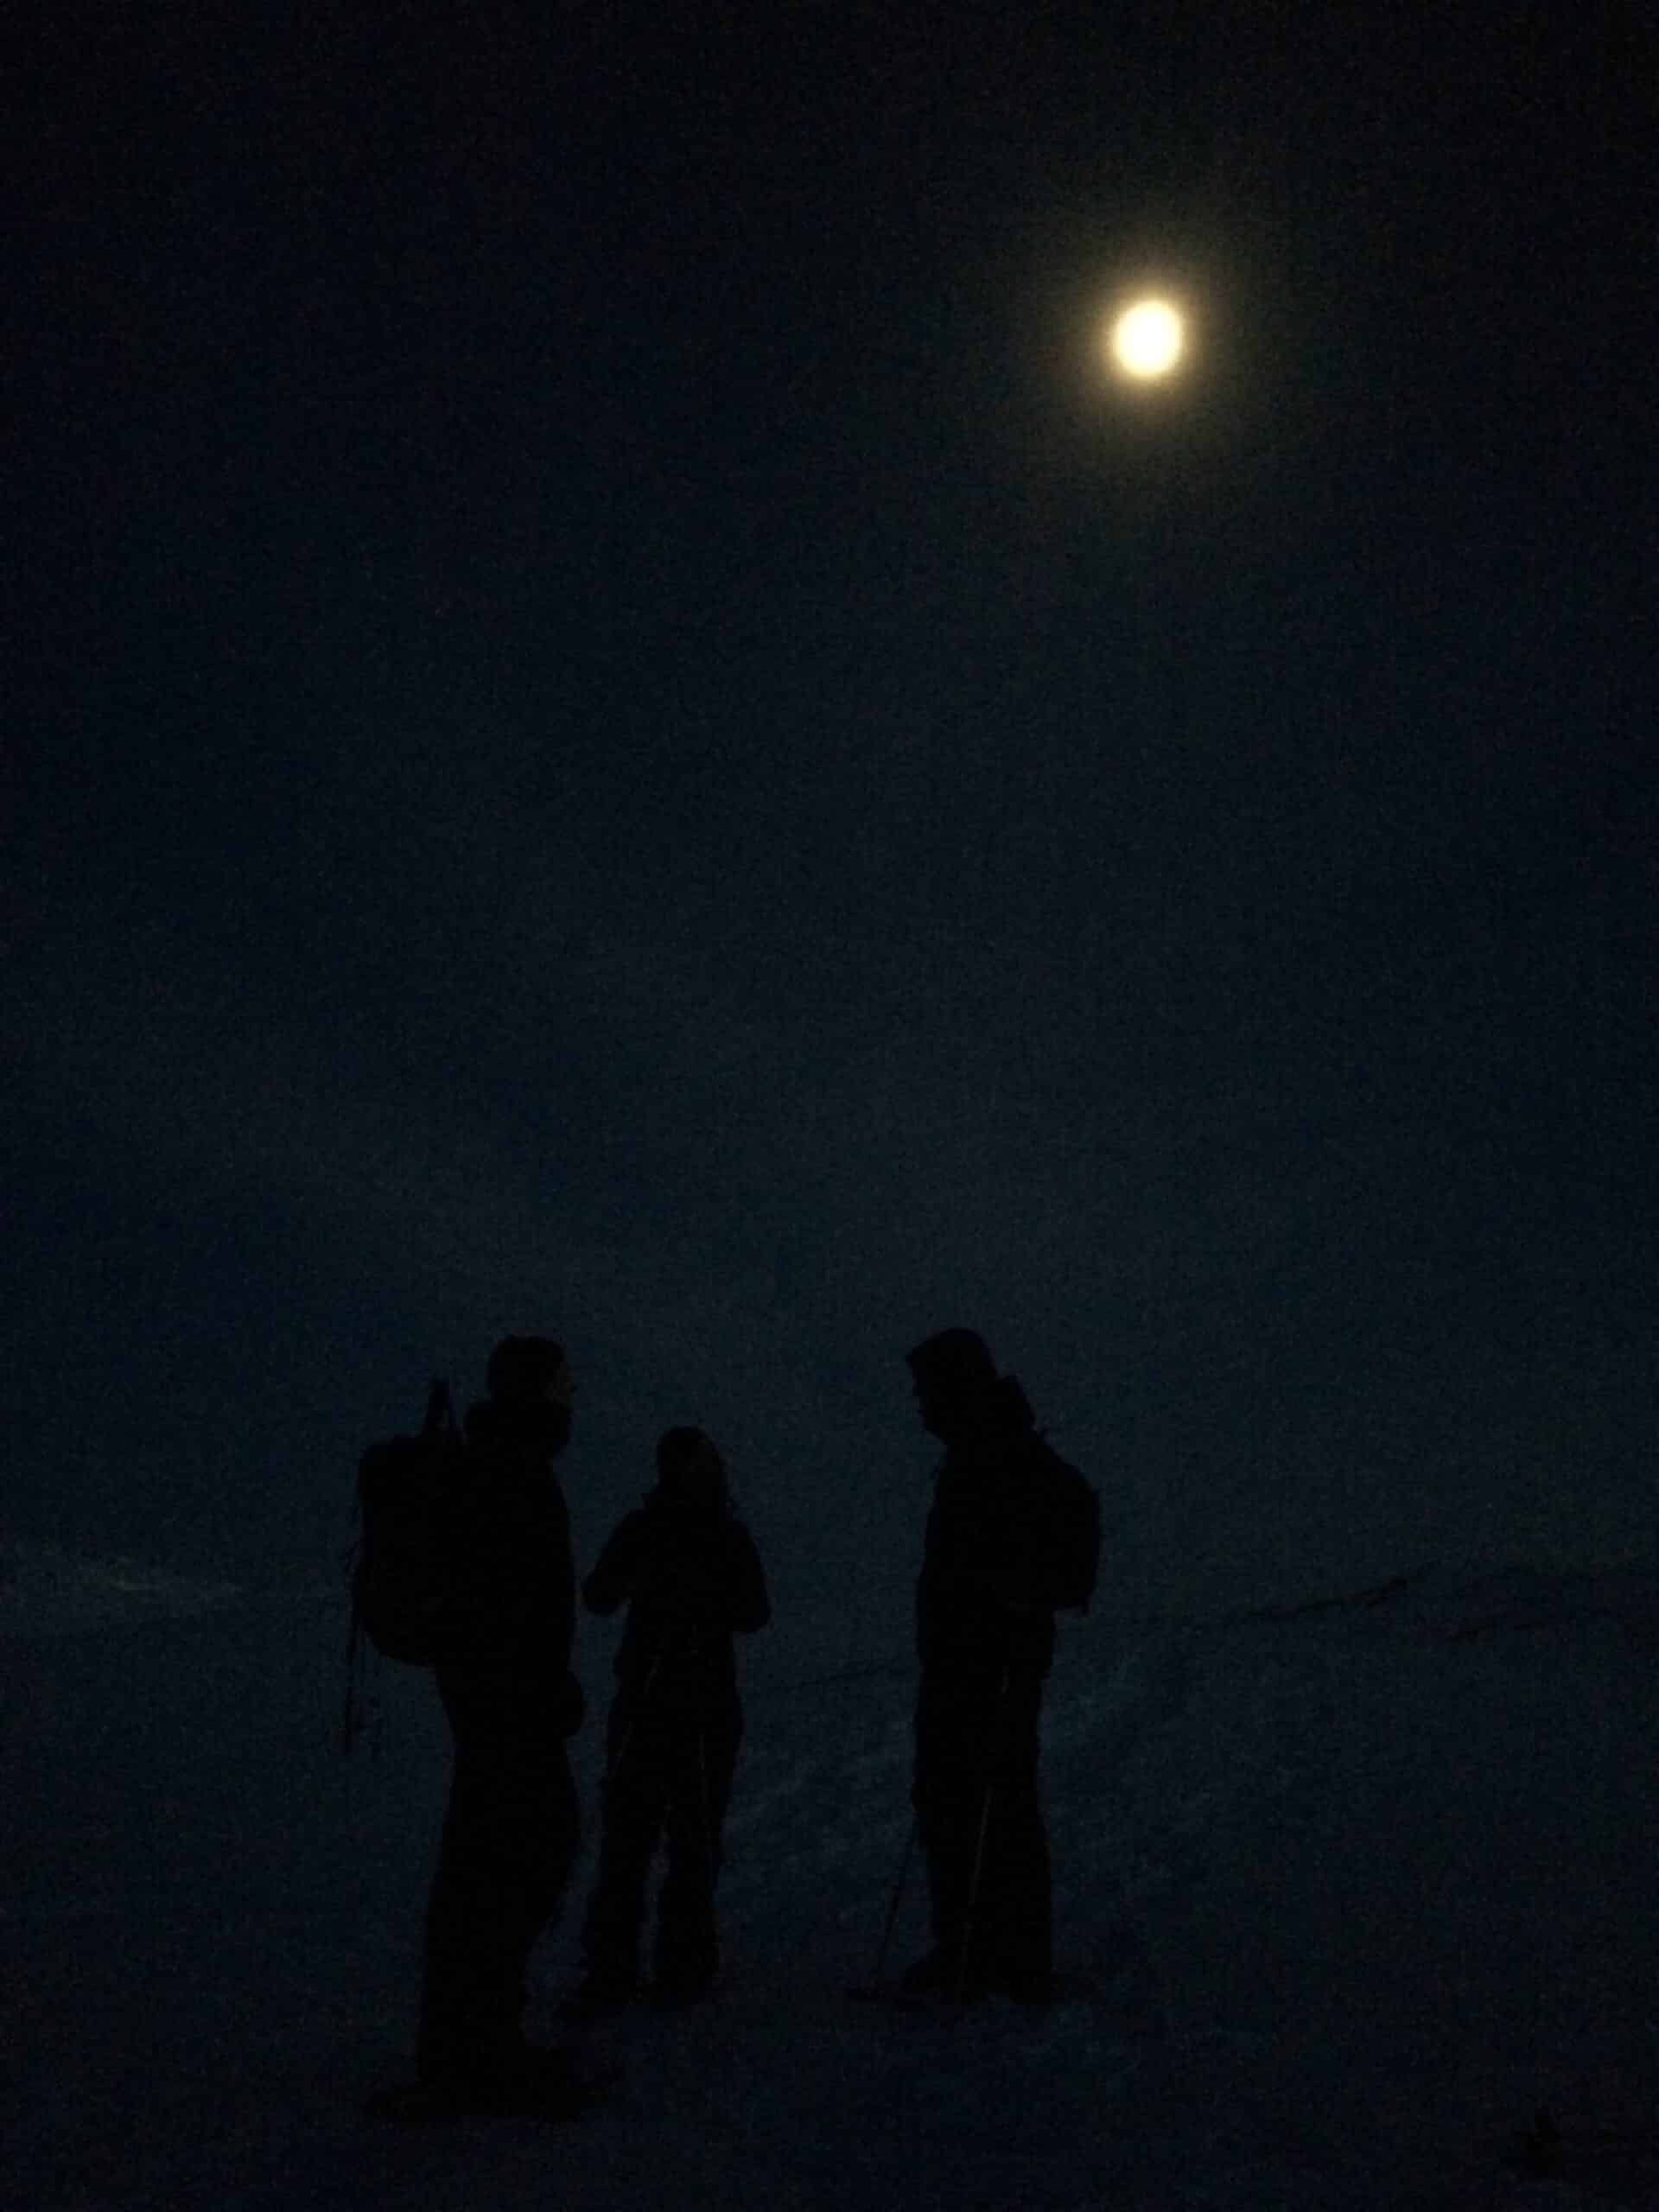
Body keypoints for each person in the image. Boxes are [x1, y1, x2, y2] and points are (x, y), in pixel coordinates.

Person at [372, 1335, 588, 2120]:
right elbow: (507, 1610)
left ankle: (467, 2051)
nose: (572, 1396)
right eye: (563, 1383)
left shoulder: (495, 1466)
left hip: (494, 1710)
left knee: (488, 1874)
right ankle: (479, 2059)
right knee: (506, 1872)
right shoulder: (511, 1474)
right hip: (507, 1714)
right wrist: (539, 1692)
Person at [901, 1327, 1078, 2005]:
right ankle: (975, 1952)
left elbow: (1053, 1551)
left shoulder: (1002, 1454)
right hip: (963, 1665)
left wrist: (1018, 1597)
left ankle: (1005, 1961)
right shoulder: (981, 1452)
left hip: (991, 1667)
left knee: (991, 1806)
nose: (918, 1405)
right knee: (955, 1801)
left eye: (925, 1390)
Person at [567, 1427, 770, 2017]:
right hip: (686, 1704)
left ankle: (627, 1967)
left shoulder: (659, 1530)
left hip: (671, 1703)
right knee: (676, 1838)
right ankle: (669, 1966)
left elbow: (600, 1595)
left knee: (646, 1839)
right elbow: (753, 1613)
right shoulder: (710, 1534)